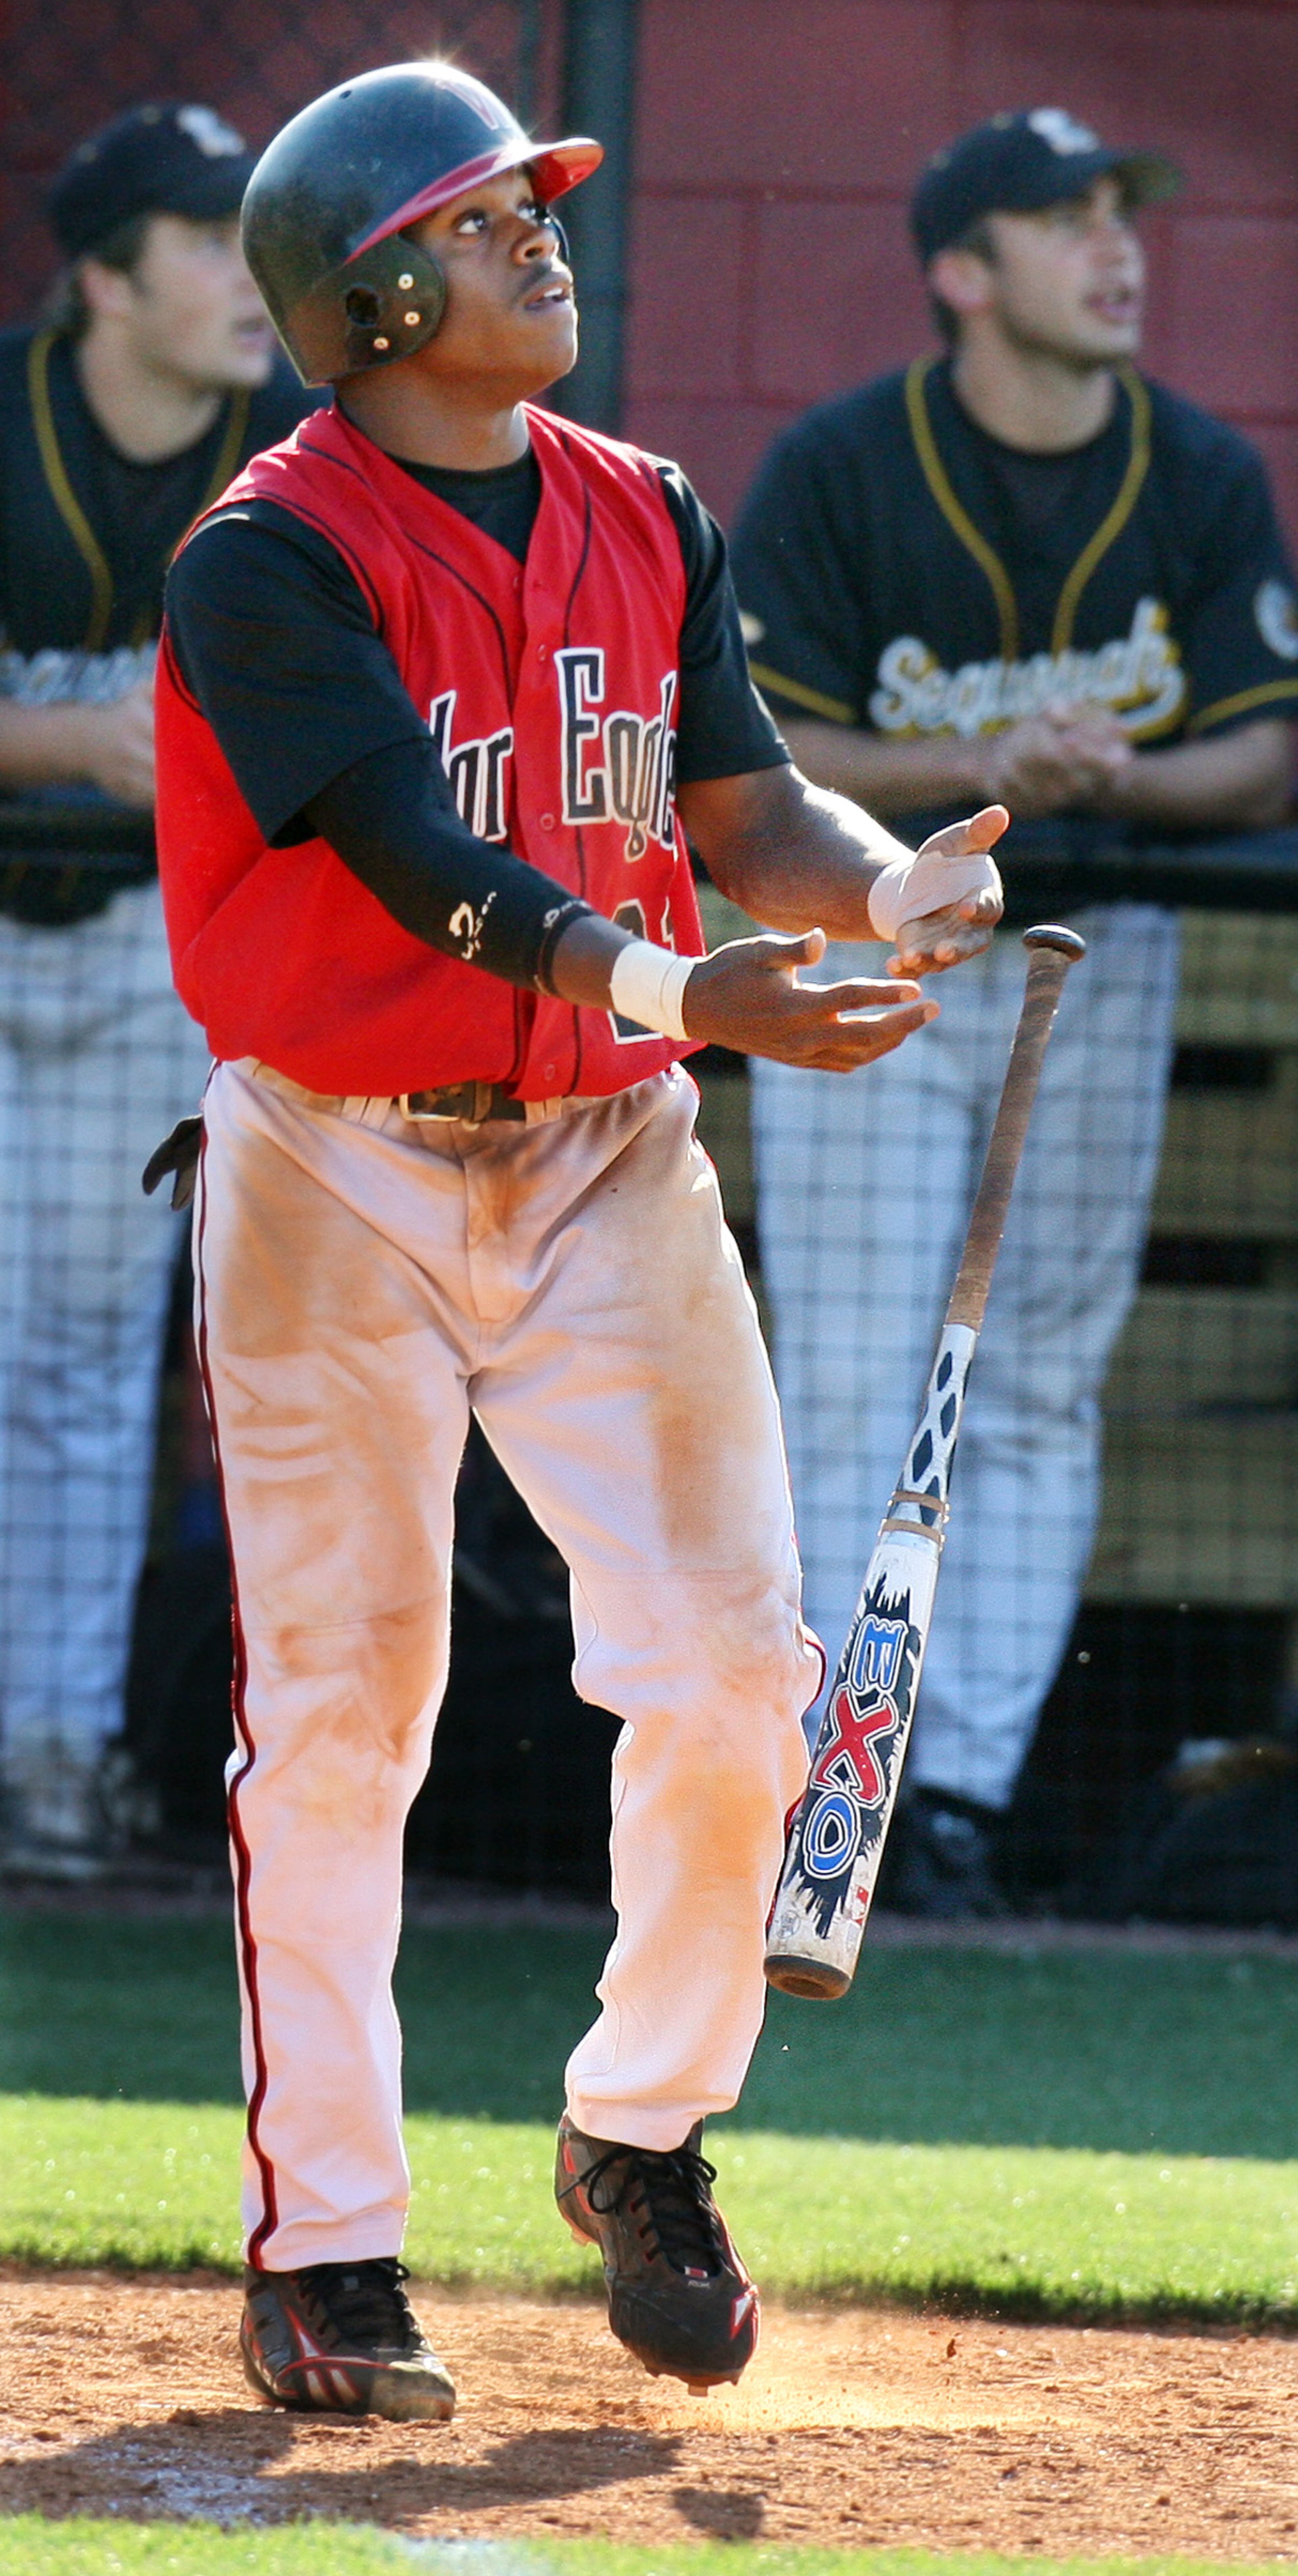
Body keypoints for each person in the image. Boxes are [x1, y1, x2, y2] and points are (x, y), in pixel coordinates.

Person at [152, 59, 1003, 2420]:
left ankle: (642, 2131)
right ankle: (329, 2247)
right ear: (369, 298)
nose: (539, 232)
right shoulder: (264, 553)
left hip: (611, 1149)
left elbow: (743, 800)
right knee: (345, 1714)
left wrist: (887, 885)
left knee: (735, 1669)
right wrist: (688, 987)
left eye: (534, 200)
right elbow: (424, 861)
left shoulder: (643, 505)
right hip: (338, 1161)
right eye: (481, 214)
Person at [730, 107, 1298, 1918]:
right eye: (1066, 221)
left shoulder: (1196, 470)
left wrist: (1107, 776)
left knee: (1040, 1381)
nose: (1116, 247)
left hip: (1096, 955)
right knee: (852, 1373)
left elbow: (1265, 751)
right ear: (964, 274)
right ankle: (818, 1779)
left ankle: (956, 1792)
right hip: (883, 946)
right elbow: (767, 741)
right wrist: (987, 760)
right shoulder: (843, 463)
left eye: (1123, 213)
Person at [0, 101, 310, 1874]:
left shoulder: (303, 451)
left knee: (79, 1352)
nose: (244, 273)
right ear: (105, 283)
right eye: (204, 241)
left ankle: (50, 1746)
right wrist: (59, 742)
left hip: (148, 941)